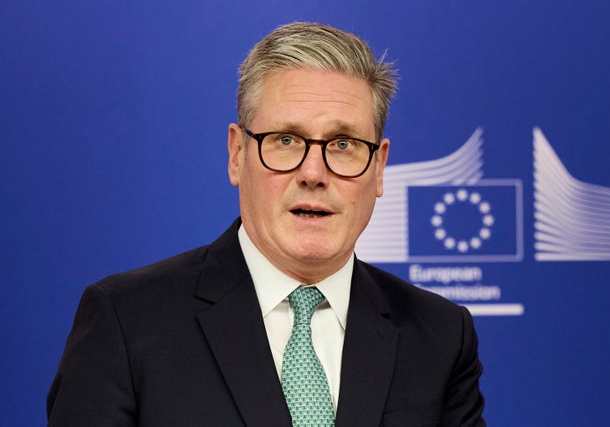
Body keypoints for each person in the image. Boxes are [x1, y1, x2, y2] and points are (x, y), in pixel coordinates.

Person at [47, 21, 486, 426]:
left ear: (379, 167)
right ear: (237, 154)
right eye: (286, 140)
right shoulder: (127, 321)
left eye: (344, 143)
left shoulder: (442, 335)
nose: (313, 173)